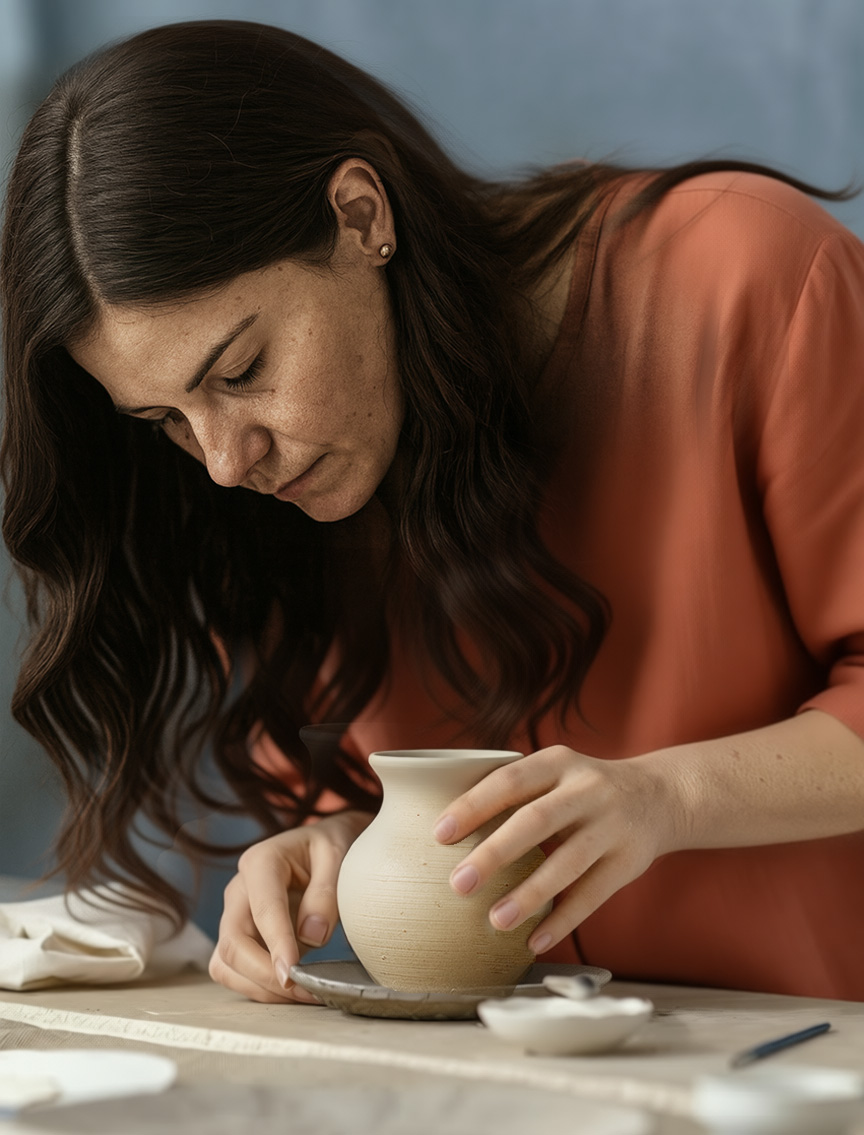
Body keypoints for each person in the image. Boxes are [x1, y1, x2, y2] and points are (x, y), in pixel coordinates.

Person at [3, 19, 864, 1009]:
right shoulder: (288, 488)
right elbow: (377, 795)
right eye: (164, 419)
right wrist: (336, 842)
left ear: (362, 215)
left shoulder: (745, 282)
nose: (225, 461)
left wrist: (666, 798)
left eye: (242, 370)